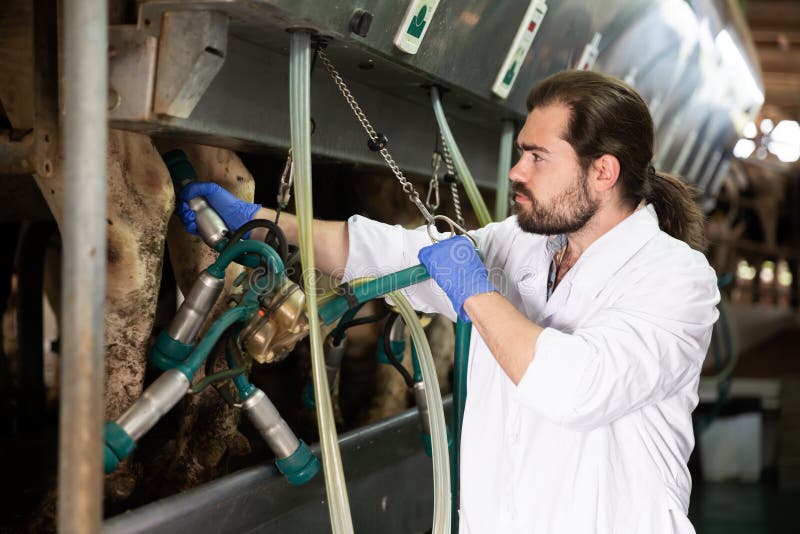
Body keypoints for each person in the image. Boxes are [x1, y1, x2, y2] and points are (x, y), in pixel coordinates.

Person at [178, 70, 719, 533]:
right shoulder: (520, 243)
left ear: (603, 172)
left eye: (537, 157)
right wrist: (267, 222)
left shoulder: (675, 278)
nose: (516, 171)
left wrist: (475, 293)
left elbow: (577, 389)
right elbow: (393, 253)